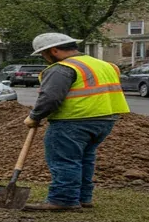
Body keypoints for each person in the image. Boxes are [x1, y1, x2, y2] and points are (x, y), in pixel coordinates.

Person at [22, 32, 130, 211]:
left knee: (64, 160)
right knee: (85, 159)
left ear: (54, 51)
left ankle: (63, 200)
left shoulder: (62, 68)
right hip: (106, 119)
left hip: (73, 120)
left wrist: (34, 116)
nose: (44, 58)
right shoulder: (104, 65)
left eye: (43, 54)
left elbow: (50, 97)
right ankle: (83, 197)